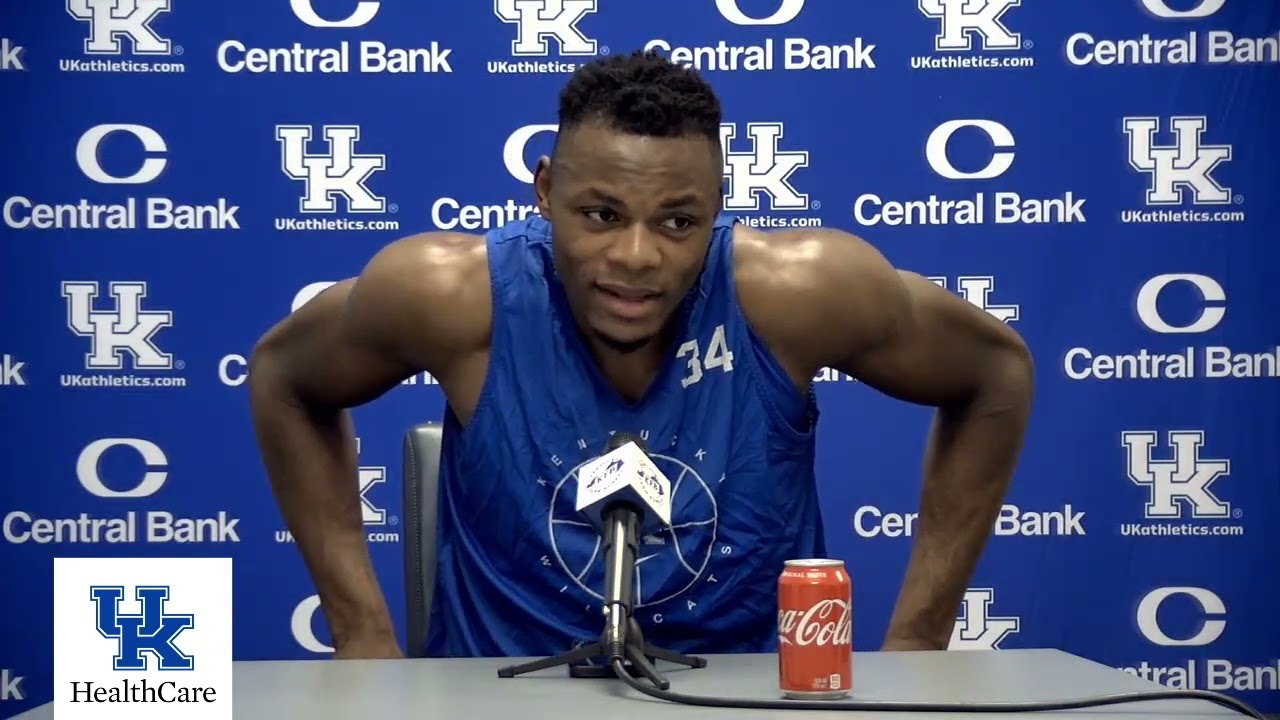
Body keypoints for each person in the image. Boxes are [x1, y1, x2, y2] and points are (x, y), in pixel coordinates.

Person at [248, 50, 1034, 661]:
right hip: (497, 703)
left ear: (720, 207)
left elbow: (994, 372)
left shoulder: (799, 292)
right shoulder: (452, 296)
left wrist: (919, 639)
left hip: (751, 706)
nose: (635, 256)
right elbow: (285, 377)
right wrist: (359, 632)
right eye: (600, 213)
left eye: (677, 222)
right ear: (544, 190)